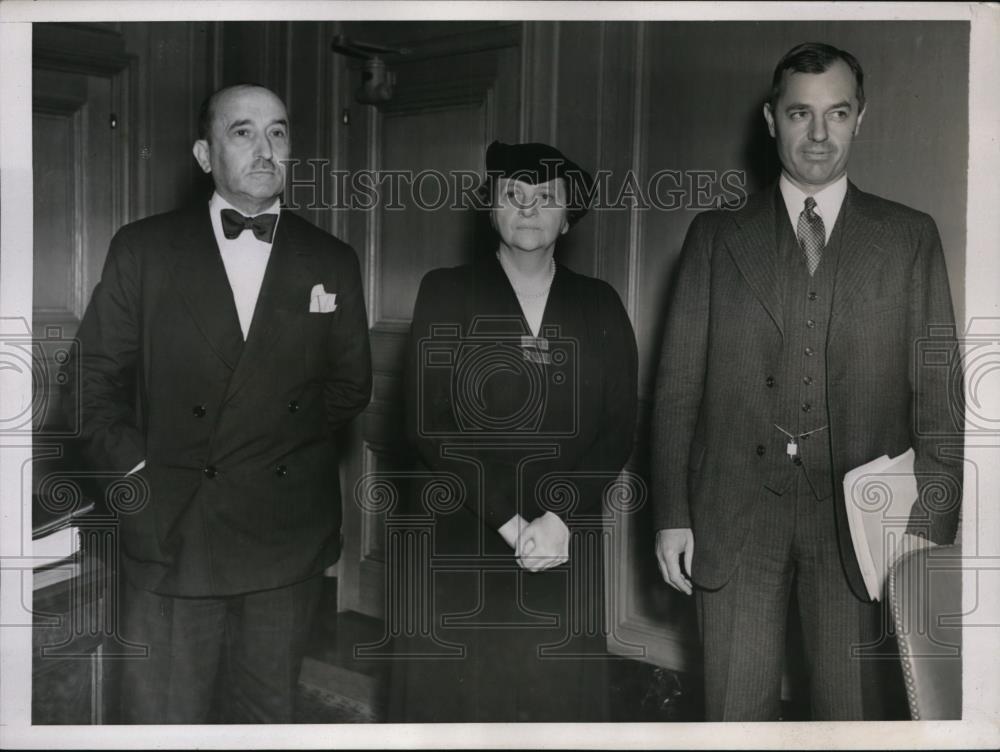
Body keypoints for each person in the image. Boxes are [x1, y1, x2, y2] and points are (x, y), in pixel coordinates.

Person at [651, 43, 963, 721]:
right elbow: (677, 388)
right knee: (733, 717)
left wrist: (927, 528)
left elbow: (939, 398)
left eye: (837, 113)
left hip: (861, 526)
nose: (819, 134)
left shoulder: (910, 239)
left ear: (861, 119)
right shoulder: (714, 237)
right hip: (734, 517)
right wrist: (672, 512)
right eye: (800, 113)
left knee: (850, 723)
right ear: (771, 120)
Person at [66, 83, 372, 723]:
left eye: (279, 132)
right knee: (163, 723)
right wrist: (139, 480)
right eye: (244, 132)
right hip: (173, 528)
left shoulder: (332, 259)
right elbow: (87, 386)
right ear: (205, 155)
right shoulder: (144, 249)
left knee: (268, 718)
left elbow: (350, 386)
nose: (266, 149)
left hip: (284, 535)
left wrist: (265, 445)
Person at [388, 141, 638, 722]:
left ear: (568, 217)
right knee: (461, 705)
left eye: (546, 197)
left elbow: (618, 428)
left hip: (563, 539)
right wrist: (509, 518)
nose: (529, 208)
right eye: (514, 195)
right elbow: (430, 423)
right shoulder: (446, 291)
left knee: (554, 705)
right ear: (490, 208)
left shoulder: (599, 302)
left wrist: (557, 518)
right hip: (463, 533)